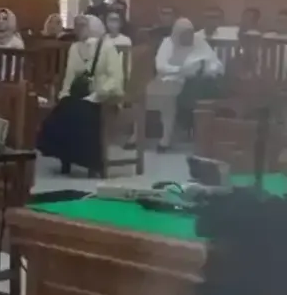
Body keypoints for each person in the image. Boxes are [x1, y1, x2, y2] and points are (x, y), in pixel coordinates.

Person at [37, 15, 124, 176]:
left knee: (83, 112)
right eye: (77, 25)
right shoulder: (75, 47)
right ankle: (65, 156)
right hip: (79, 94)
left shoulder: (107, 46)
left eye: (83, 25)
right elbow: (69, 76)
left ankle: (91, 162)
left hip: (103, 96)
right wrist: (64, 95)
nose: (79, 28)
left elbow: (116, 78)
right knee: (63, 109)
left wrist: (97, 95)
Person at [135, 18, 223, 151]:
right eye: (184, 34)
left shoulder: (199, 42)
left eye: (190, 34)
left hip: (195, 82)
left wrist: (205, 69)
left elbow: (215, 63)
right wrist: (180, 70)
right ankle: (151, 136)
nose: (188, 37)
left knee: (200, 88)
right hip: (169, 80)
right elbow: (160, 66)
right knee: (158, 97)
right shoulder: (167, 43)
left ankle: (179, 134)